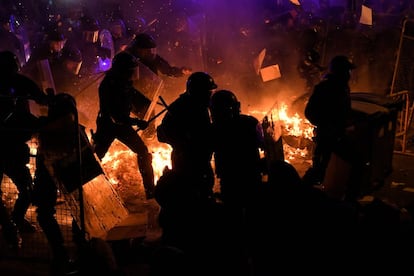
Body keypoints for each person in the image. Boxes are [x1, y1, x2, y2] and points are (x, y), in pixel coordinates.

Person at [209, 89, 266, 276]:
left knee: (234, 219)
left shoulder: (215, 128)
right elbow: (264, 143)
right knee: (254, 218)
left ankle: (238, 259)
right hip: (251, 176)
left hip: (230, 179)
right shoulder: (250, 122)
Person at [92, 51, 155, 199]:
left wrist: (148, 104)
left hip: (121, 125)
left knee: (143, 153)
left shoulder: (124, 83)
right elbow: (116, 116)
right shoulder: (109, 85)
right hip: (108, 126)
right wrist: (137, 122)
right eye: (130, 71)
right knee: (94, 159)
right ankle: (85, 193)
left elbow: (133, 99)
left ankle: (151, 192)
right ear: (122, 70)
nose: (133, 74)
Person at [0, 50, 49, 233]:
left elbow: (40, 98)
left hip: (14, 149)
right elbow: (40, 99)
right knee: (26, 190)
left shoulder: (21, 82)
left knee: (27, 190)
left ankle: (15, 221)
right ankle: (9, 225)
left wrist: (49, 100)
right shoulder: (19, 82)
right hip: (8, 148)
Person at [302, 55, 356, 187]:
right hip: (326, 137)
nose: (350, 74)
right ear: (340, 71)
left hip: (338, 136)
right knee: (318, 170)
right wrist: (325, 125)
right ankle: (300, 193)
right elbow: (309, 112)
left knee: (357, 161)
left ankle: (348, 200)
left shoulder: (343, 88)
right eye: (347, 70)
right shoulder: (324, 88)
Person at [126, 32, 192, 77]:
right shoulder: (127, 59)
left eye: (151, 50)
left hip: (149, 92)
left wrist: (181, 71)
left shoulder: (153, 59)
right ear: (139, 49)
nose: (150, 52)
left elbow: (167, 70)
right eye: (147, 50)